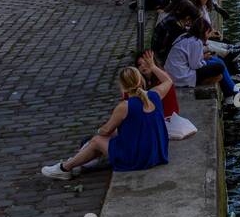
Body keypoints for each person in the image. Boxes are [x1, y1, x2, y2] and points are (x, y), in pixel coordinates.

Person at [41, 59, 171, 179]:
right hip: (157, 153)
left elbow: (106, 131)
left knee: (96, 141)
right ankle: (80, 160)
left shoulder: (124, 106)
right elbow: (168, 81)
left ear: (123, 87)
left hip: (139, 159)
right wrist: (153, 67)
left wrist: (98, 131)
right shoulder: (155, 95)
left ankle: (65, 168)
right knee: (115, 135)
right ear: (140, 80)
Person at [163, 20, 240, 102]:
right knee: (220, 66)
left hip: (176, 73)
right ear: (204, 32)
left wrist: (203, 58)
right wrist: (204, 60)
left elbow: (191, 60)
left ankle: (232, 94)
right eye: (208, 33)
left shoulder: (186, 36)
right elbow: (195, 66)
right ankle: (233, 94)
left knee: (217, 61)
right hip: (182, 77)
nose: (209, 36)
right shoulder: (196, 42)